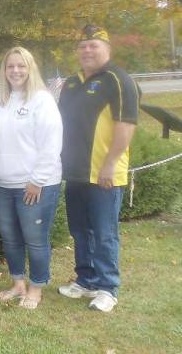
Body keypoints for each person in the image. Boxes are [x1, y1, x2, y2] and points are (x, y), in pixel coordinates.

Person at [57, 25, 139, 312]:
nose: (87, 50)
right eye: (83, 46)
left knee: (104, 233)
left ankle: (107, 287)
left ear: (108, 49)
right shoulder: (71, 82)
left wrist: (111, 163)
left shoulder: (118, 79)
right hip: (75, 172)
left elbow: (126, 124)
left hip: (104, 173)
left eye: (94, 45)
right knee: (80, 231)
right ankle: (86, 280)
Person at [0, 47, 63, 310]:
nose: (16, 71)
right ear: (4, 70)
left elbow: (51, 144)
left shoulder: (42, 100)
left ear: (30, 68)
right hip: (1, 184)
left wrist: (38, 179)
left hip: (36, 184)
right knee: (10, 237)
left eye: (21, 66)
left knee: (35, 237)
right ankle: (17, 283)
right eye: (10, 66)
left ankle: (36, 287)